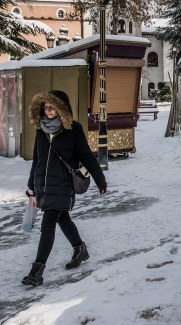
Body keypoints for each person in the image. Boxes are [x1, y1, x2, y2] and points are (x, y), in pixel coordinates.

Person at [22, 90, 107, 287]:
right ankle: (80, 249)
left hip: (63, 184)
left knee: (48, 224)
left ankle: (37, 270)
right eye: (46, 106)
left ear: (62, 108)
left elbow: (86, 156)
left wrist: (100, 179)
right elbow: (37, 159)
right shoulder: (40, 130)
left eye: (53, 107)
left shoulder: (73, 129)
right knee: (63, 218)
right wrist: (31, 183)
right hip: (43, 184)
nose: (48, 110)